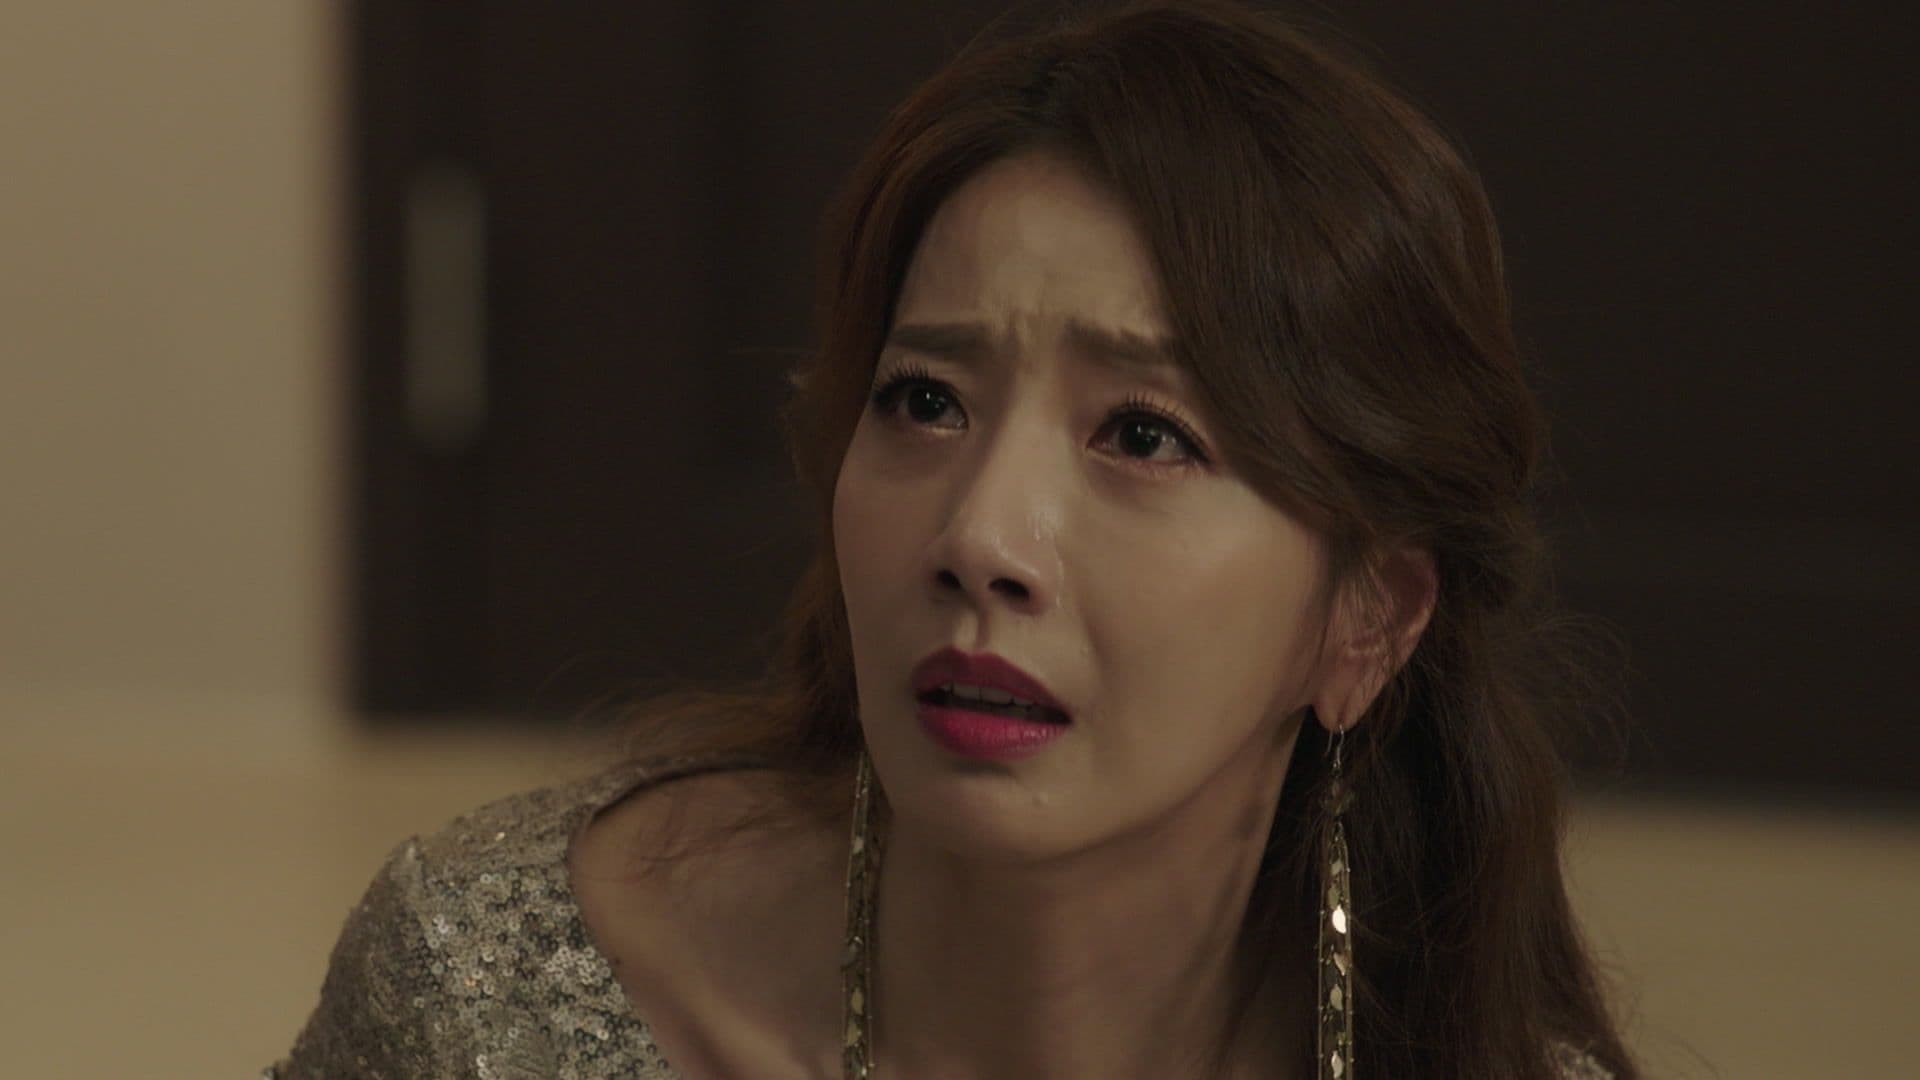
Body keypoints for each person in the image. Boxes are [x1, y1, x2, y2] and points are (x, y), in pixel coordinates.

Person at [269, 1, 1637, 1076]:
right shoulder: (486, 1003)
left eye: (1143, 434)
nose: (981, 535)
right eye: (925, 401)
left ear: (1368, 621)